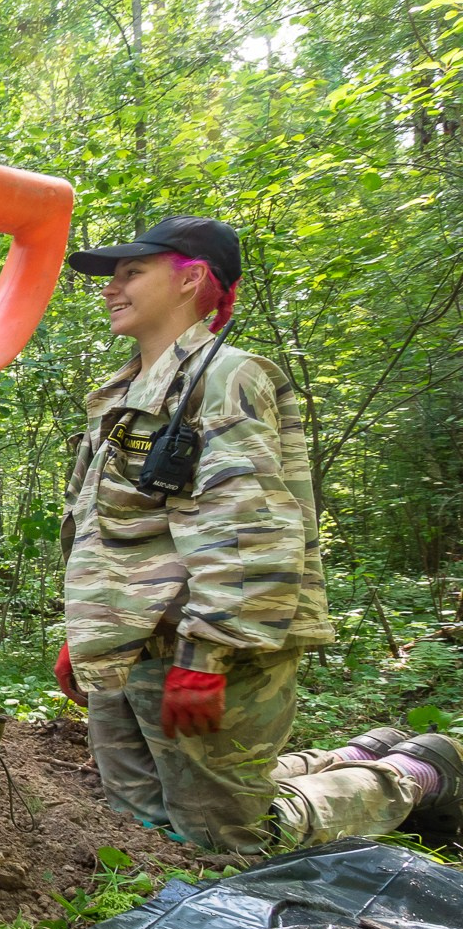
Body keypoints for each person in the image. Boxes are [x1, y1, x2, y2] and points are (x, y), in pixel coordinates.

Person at [59, 216, 459, 850]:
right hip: (132, 649)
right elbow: (102, 527)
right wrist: (86, 635)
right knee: (140, 819)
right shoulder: (121, 395)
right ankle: (354, 753)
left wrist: (206, 657)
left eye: (132, 272)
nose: (111, 287)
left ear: (192, 280)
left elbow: (248, 527)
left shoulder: (228, 378)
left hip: (203, 649)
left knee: (232, 837)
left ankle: (412, 774)